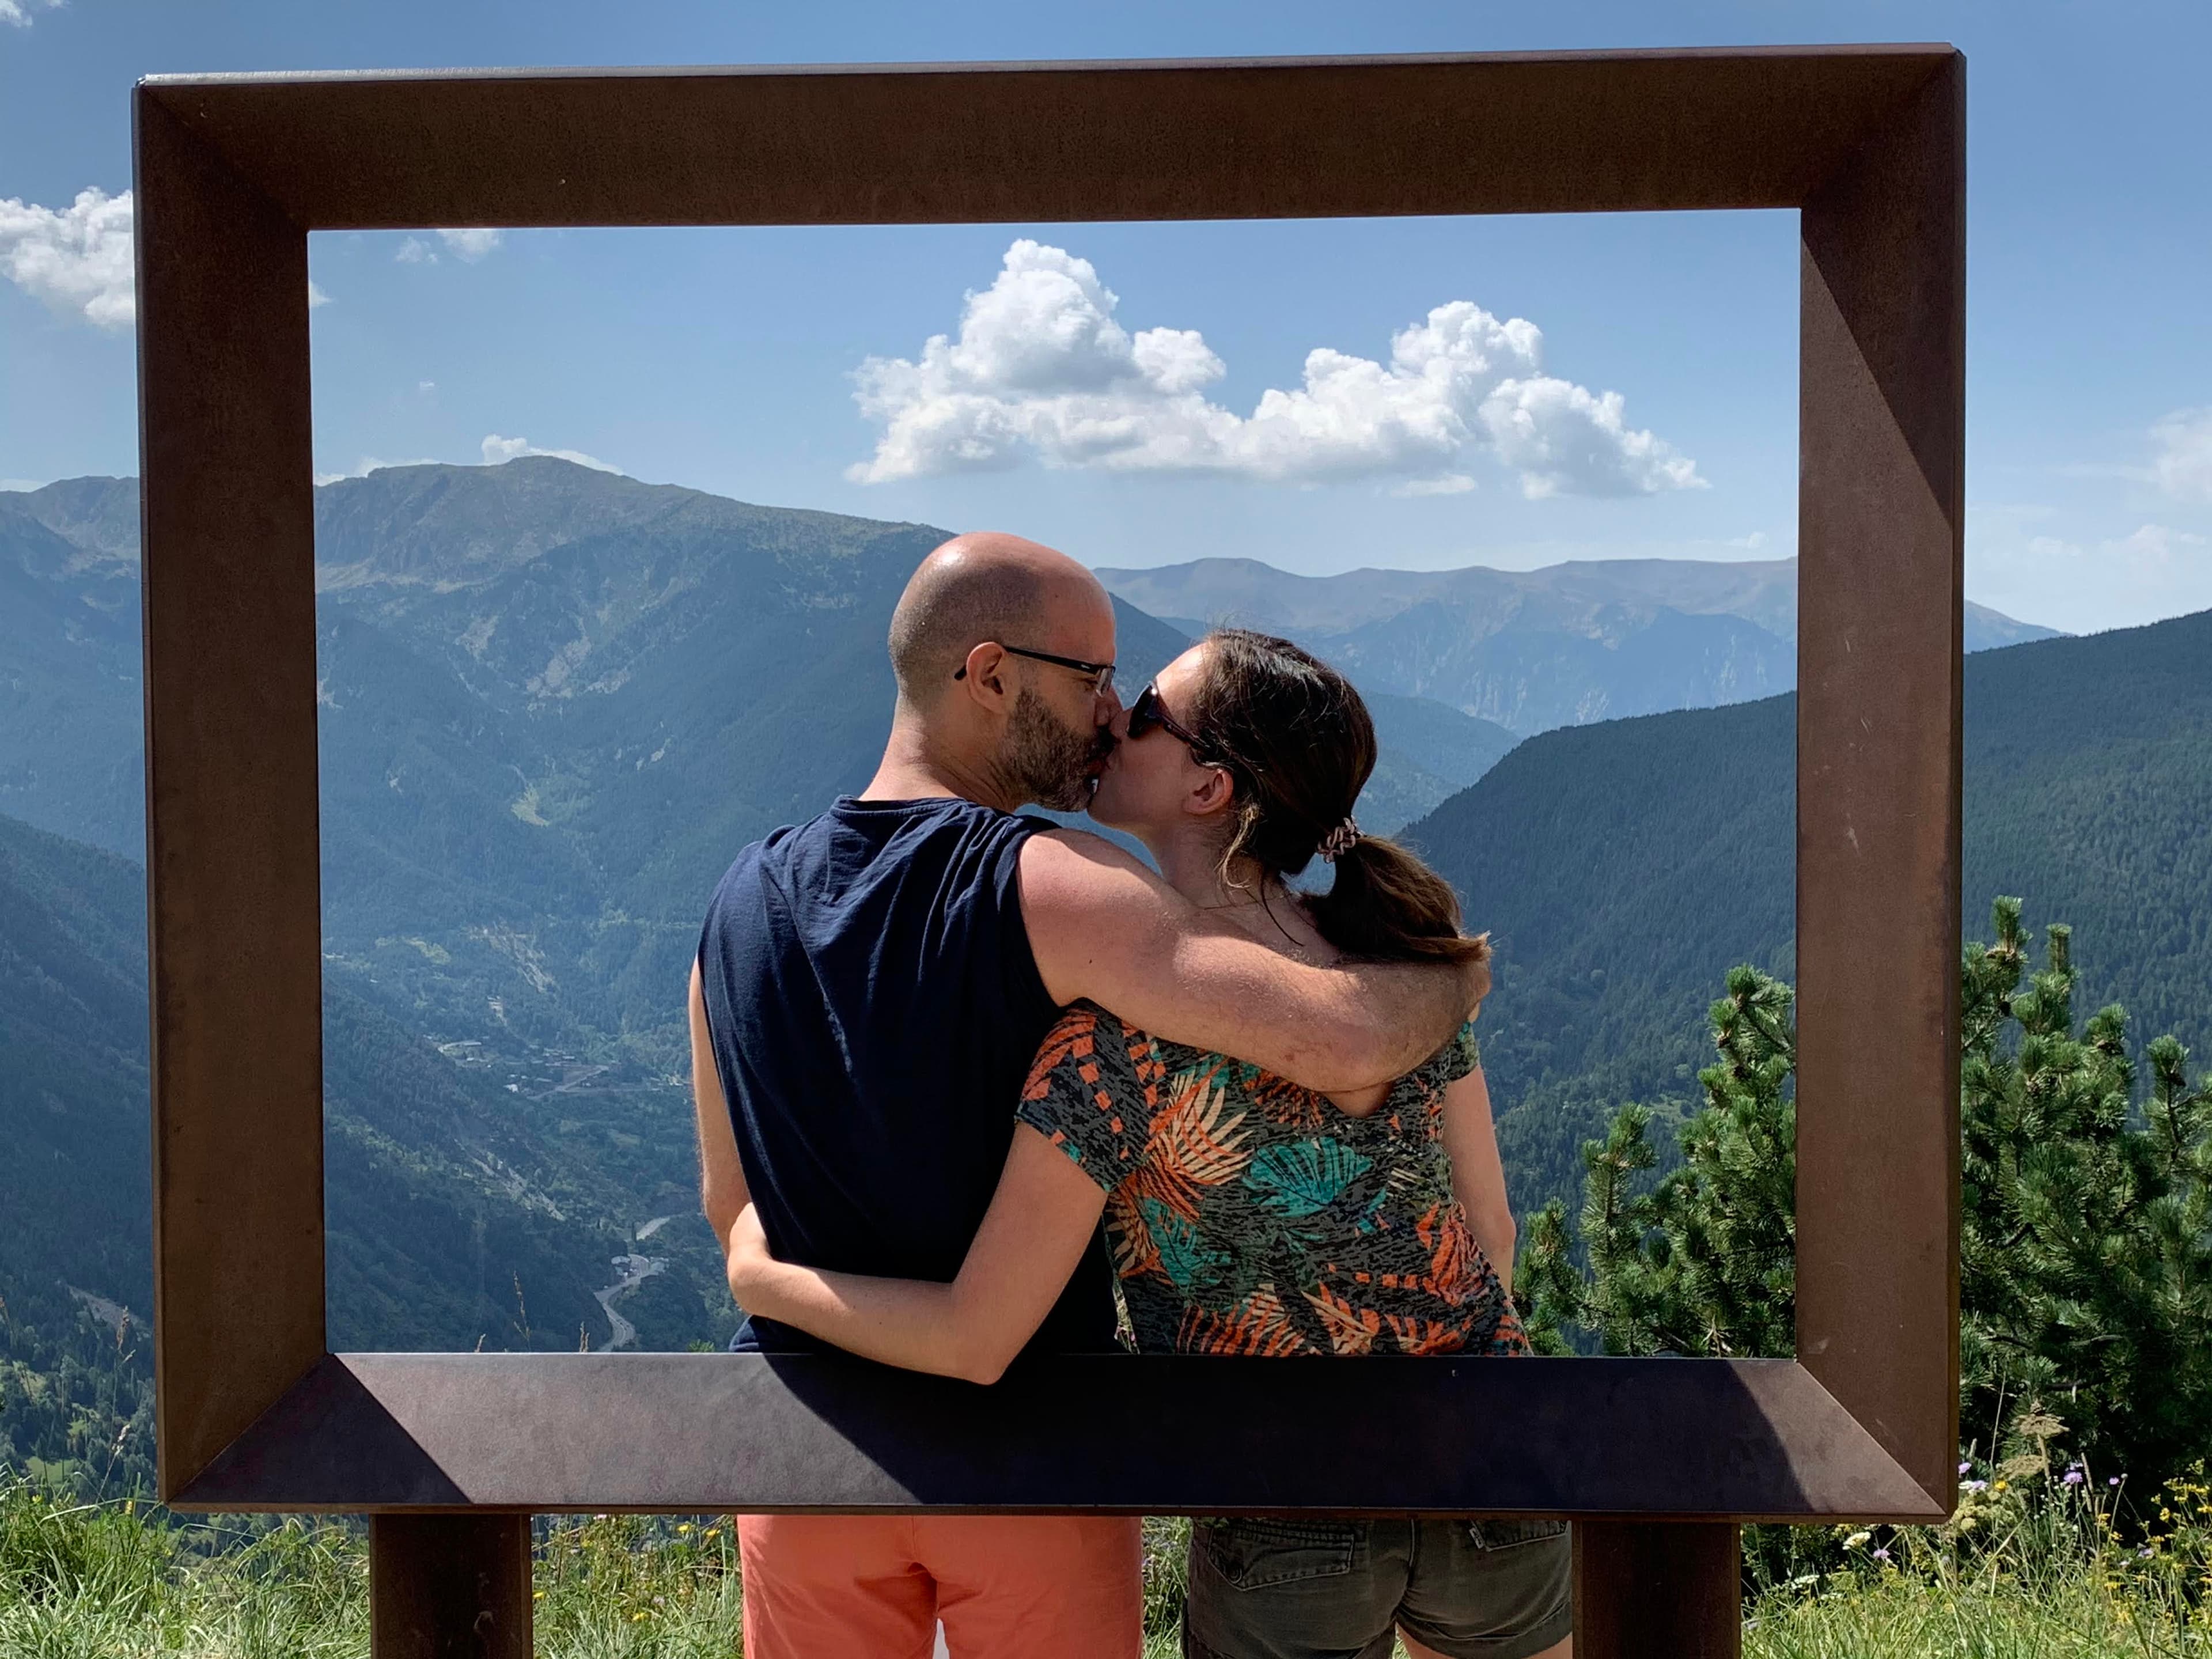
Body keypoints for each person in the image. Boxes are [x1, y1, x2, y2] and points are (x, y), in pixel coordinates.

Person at [689, 539, 1488, 1659]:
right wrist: (1456, 976)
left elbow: (730, 1205)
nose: (1110, 715)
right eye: (1093, 678)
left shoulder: (736, 903)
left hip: (802, 1459)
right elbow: (1340, 1038)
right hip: (1029, 1456)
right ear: (990, 675)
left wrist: (765, 1280)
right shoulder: (1058, 886)